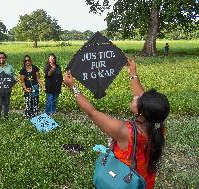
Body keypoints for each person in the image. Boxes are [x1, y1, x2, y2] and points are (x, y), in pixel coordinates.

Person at [63, 58, 170, 189]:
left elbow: (92, 112)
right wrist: (132, 72)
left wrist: (73, 87)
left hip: (124, 182)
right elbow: (142, 97)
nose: (135, 97)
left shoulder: (125, 131)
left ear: (142, 112)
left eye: (137, 100)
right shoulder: (158, 125)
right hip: (144, 181)